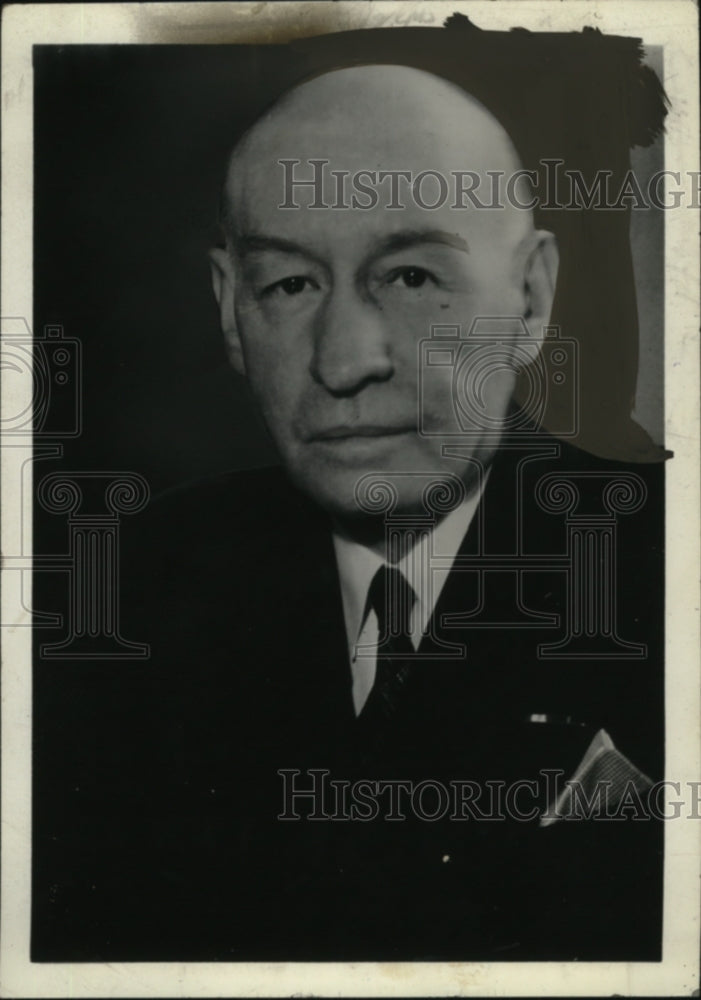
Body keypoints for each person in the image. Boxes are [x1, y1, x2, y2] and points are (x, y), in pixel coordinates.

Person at [32, 63, 664, 963]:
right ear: (226, 308)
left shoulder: (664, 566)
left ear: (530, 299)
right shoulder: (114, 600)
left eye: (409, 276)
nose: (343, 361)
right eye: (289, 286)